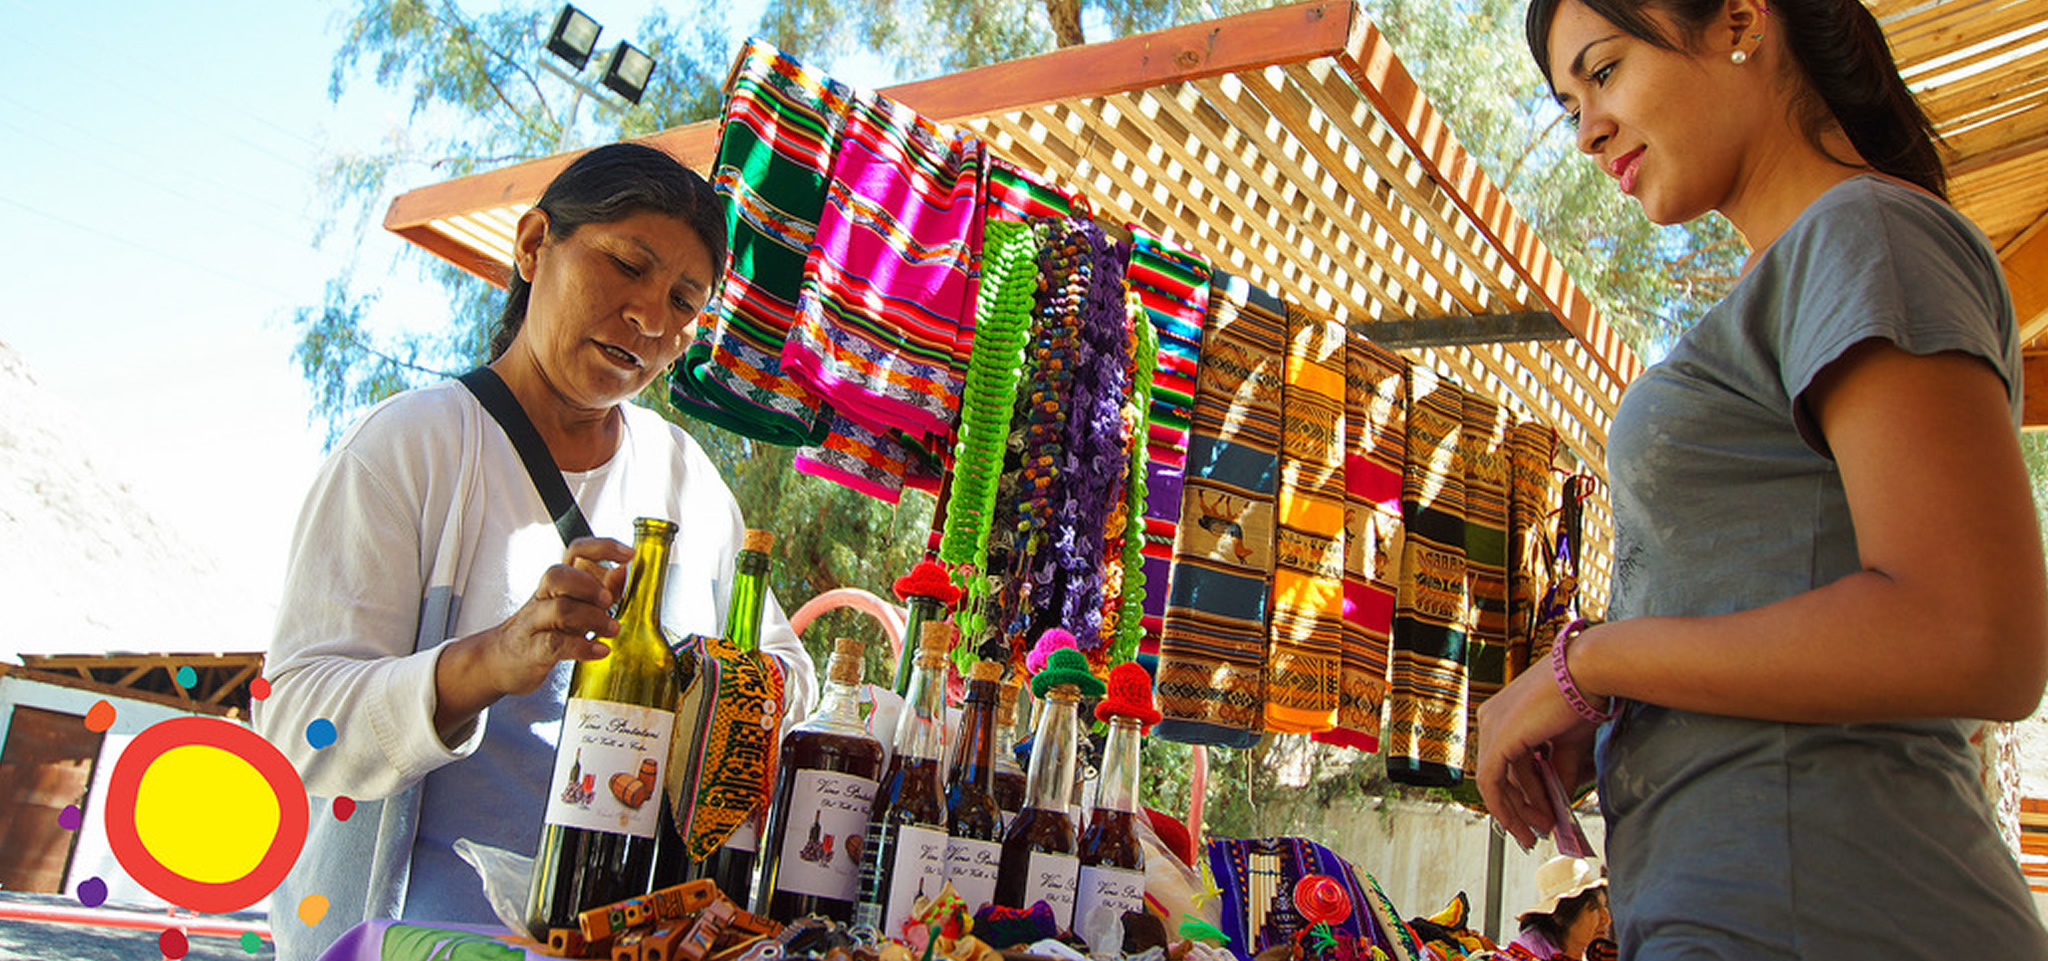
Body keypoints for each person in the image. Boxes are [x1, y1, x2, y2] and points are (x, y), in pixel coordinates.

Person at [1475, 0, 2048, 957]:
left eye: (1604, 72)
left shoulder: (1867, 234)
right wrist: (1632, 714)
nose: (1586, 132)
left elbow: (1973, 633)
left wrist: (1591, 664)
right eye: (1569, 102)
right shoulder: (1816, 265)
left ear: (1741, 19)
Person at [255, 143, 817, 961]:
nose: (652, 320)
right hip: (425, 941)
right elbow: (294, 724)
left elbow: (787, 679)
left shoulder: (682, 479)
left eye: (684, 302)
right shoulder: (414, 447)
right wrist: (488, 661)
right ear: (532, 244)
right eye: (626, 264)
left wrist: (696, 674)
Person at [1502, 857, 1609, 961]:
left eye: (1604, 906)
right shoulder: (1526, 954)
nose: (1606, 919)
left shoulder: (1591, 953)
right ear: (1561, 916)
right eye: (1594, 909)